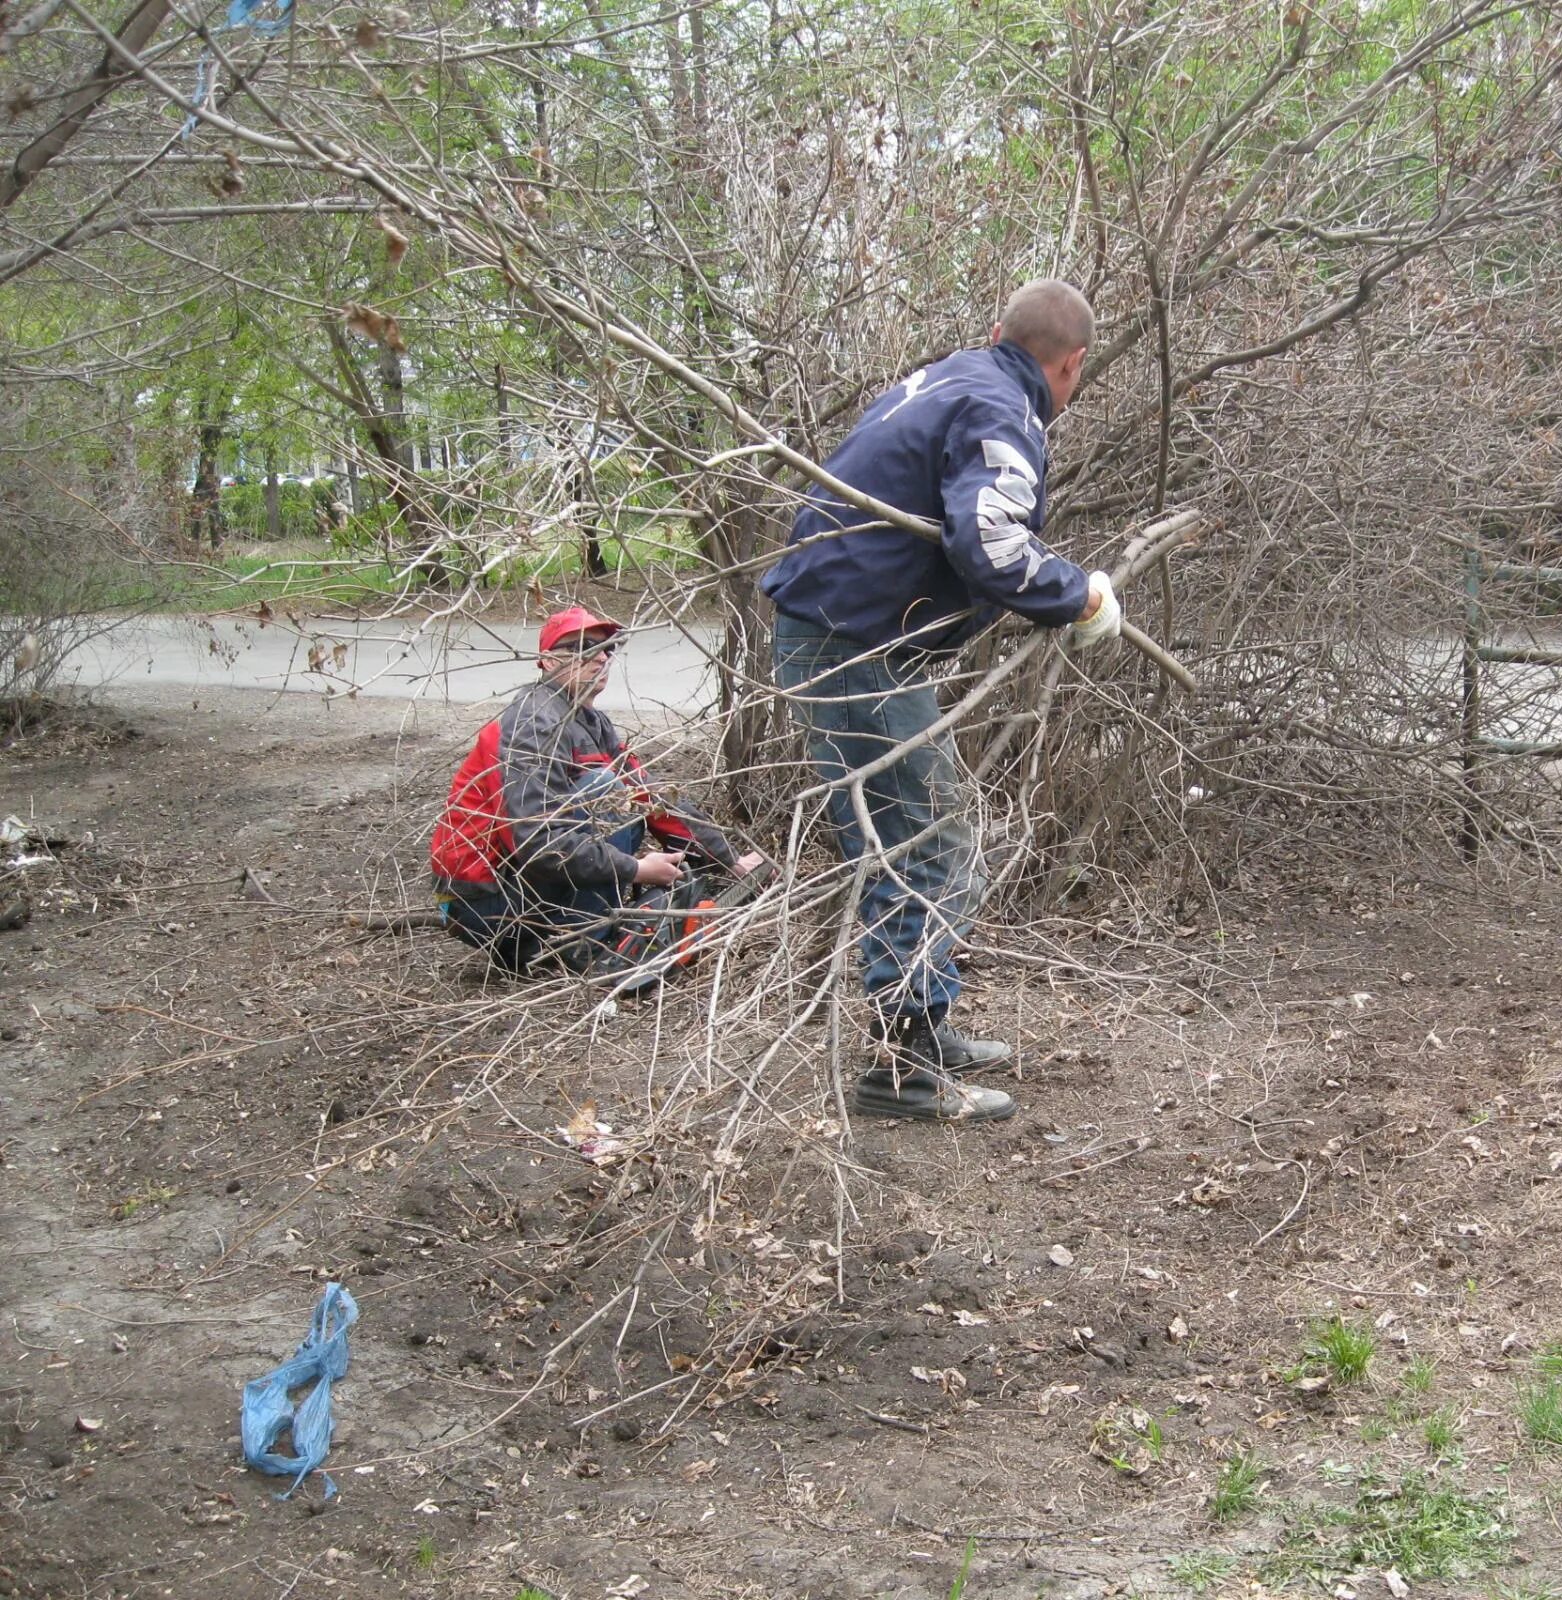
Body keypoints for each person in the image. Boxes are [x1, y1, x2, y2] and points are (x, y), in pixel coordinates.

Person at [762, 279, 1124, 1122]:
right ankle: (902, 1070)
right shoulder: (1003, 409)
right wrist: (1081, 599)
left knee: (920, 840)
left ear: (999, 330)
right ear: (1070, 366)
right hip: (855, 647)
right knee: (924, 848)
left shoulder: (956, 377)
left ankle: (922, 1029)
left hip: (837, 633)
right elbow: (991, 543)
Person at [430, 605, 765, 990]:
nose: (601, 657)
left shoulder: (588, 720)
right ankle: (582, 945)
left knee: (616, 790)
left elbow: (651, 797)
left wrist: (728, 860)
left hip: (518, 885)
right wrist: (637, 870)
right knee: (605, 791)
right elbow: (539, 843)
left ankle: (548, 940)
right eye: (583, 648)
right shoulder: (533, 725)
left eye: (607, 647)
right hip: (483, 900)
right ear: (547, 660)